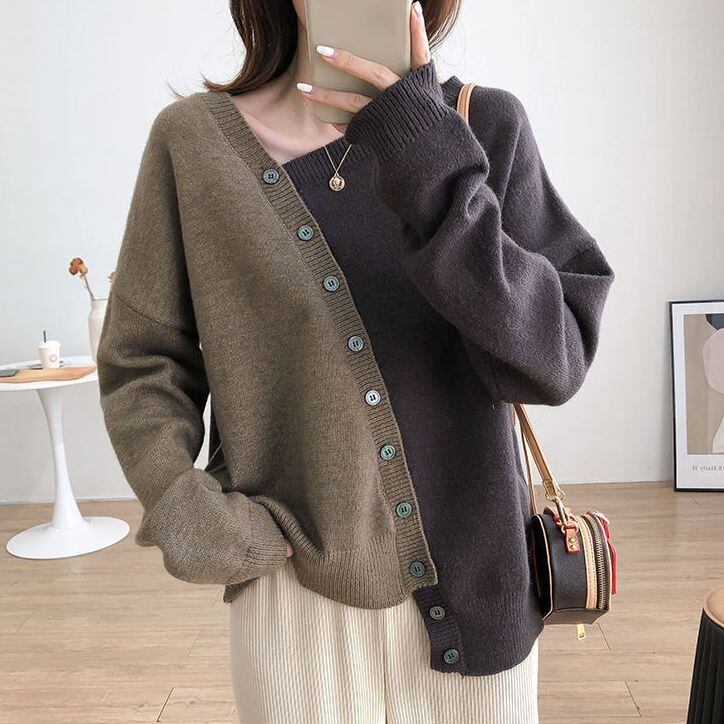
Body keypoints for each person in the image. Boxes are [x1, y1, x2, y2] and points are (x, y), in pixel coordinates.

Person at [96, 1, 615, 722]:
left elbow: (553, 362)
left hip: (479, 591)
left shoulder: (485, 124)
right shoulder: (195, 144)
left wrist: (429, 162)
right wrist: (184, 506)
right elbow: (142, 360)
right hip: (295, 596)